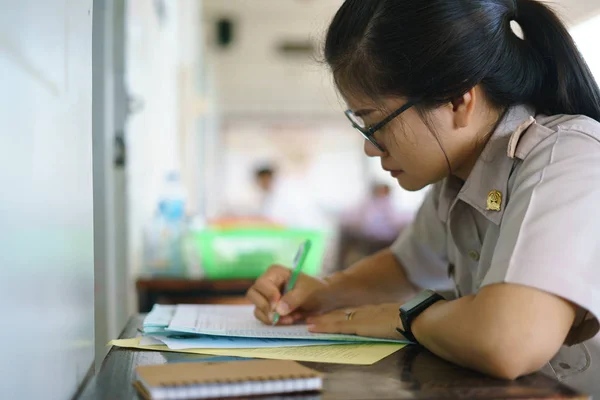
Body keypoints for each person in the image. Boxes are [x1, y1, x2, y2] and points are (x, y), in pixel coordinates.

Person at [246, 0, 600, 390]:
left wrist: (404, 318)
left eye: (373, 122)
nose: (370, 147)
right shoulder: (458, 179)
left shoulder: (568, 157)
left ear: (457, 101)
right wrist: (325, 292)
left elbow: (508, 340)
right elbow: (406, 266)